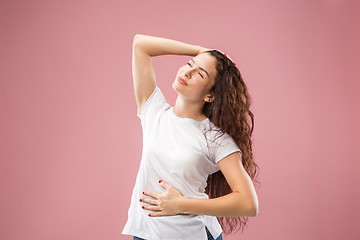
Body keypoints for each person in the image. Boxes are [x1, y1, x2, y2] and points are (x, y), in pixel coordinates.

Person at [122, 34, 260, 240]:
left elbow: (248, 203)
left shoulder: (214, 138)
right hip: (145, 232)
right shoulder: (154, 111)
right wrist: (199, 51)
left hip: (189, 233)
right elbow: (140, 44)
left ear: (210, 96)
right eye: (189, 64)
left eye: (199, 73)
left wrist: (180, 204)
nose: (187, 72)